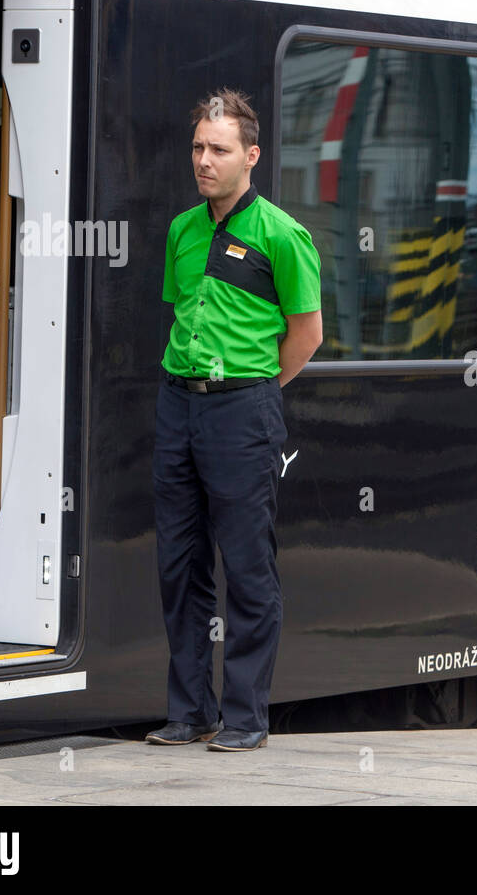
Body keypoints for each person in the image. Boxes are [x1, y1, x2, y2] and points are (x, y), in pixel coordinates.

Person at [146, 88, 322, 751]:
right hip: (178, 402)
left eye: (218, 149)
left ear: (251, 155)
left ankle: (246, 717)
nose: (204, 160)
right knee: (180, 563)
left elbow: (308, 333)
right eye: (197, 147)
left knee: (248, 567)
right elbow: (182, 311)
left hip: (242, 408)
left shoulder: (281, 234)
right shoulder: (183, 231)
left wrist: (255, 392)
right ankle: (190, 711)